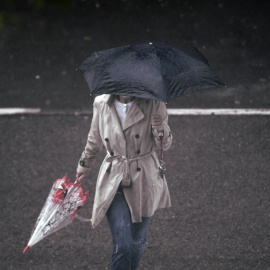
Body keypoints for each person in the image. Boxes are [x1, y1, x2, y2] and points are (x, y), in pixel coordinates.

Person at [76, 94, 172, 270]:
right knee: (123, 244)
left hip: (144, 178)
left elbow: (163, 145)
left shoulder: (155, 103)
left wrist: (161, 129)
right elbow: (94, 139)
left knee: (136, 240)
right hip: (114, 178)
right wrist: (84, 165)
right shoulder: (101, 103)